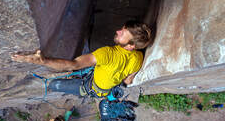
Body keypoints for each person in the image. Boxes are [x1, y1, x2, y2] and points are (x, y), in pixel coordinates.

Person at [11, 20, 152, 98]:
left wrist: (44, 61)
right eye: (122, 28)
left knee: (54, 85)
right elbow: (127, 81)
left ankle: (52, 85)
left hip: (91, 88)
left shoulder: (107, 53)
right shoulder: (139, 57)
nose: (117, 31)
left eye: (122, 34)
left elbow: (75, 64)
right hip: (103, 87)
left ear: (130, 46)